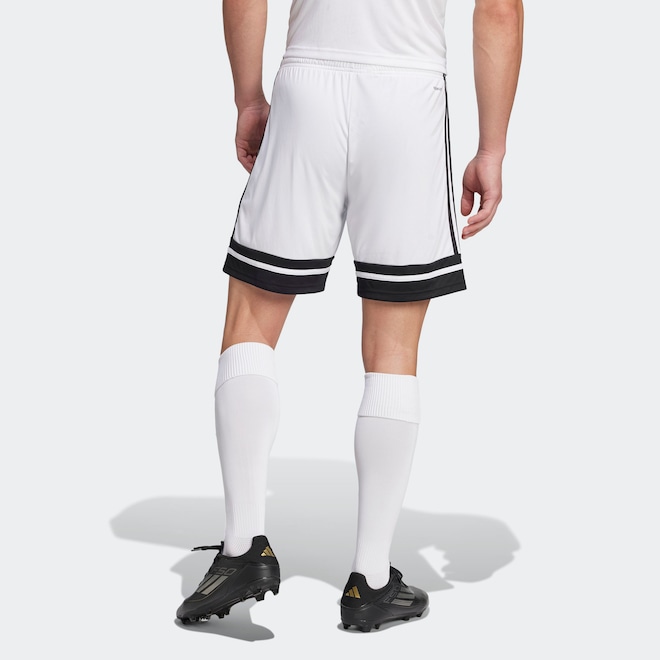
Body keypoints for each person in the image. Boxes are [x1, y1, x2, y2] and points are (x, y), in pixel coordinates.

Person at [176, 0, 524, 632]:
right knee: (394, 348)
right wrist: (492, 147)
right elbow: (499, 8)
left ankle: (242, 548)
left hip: (308, 84)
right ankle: (371, 580)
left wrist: (248, 97)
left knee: (251, 320)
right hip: (408, 94)